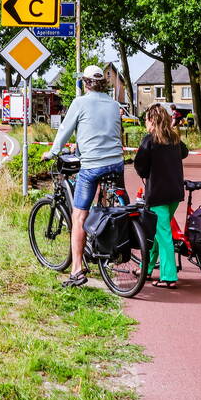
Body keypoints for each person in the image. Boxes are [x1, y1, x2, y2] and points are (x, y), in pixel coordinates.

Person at [42, 65, 124, 287]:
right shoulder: (114, 104)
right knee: (110, 208)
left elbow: (65, 131)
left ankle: (76, 269)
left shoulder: (80, 103)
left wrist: (53, 152)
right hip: (116, 163)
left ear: (84, 83)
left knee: (79, 216)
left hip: (92, 166)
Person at [134, 104, 190, 288]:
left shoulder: (149, 140)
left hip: (157, 195)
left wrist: (148, 170)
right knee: (158, 233)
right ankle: (146, 268)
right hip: (174, 193)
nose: (145, 123)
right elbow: (185, 152)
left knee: (163, 234)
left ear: (151, 120)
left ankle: (168, 276)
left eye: (146, 120)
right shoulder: (174, 138)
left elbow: (140, 166)